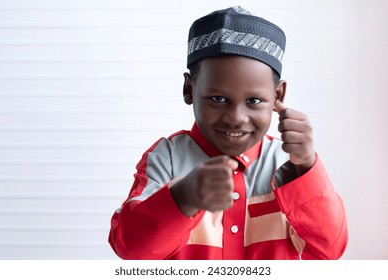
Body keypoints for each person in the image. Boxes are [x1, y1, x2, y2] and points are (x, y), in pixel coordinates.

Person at [108, 6, 348, 260]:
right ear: (189, 89)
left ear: (277, 96)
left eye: (254, 101)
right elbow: (132, 250)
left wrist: (306, 167)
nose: (236, 117)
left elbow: (330, 249)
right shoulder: (166, 158)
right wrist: (183, 197)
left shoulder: (291, 162)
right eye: (218, 98)